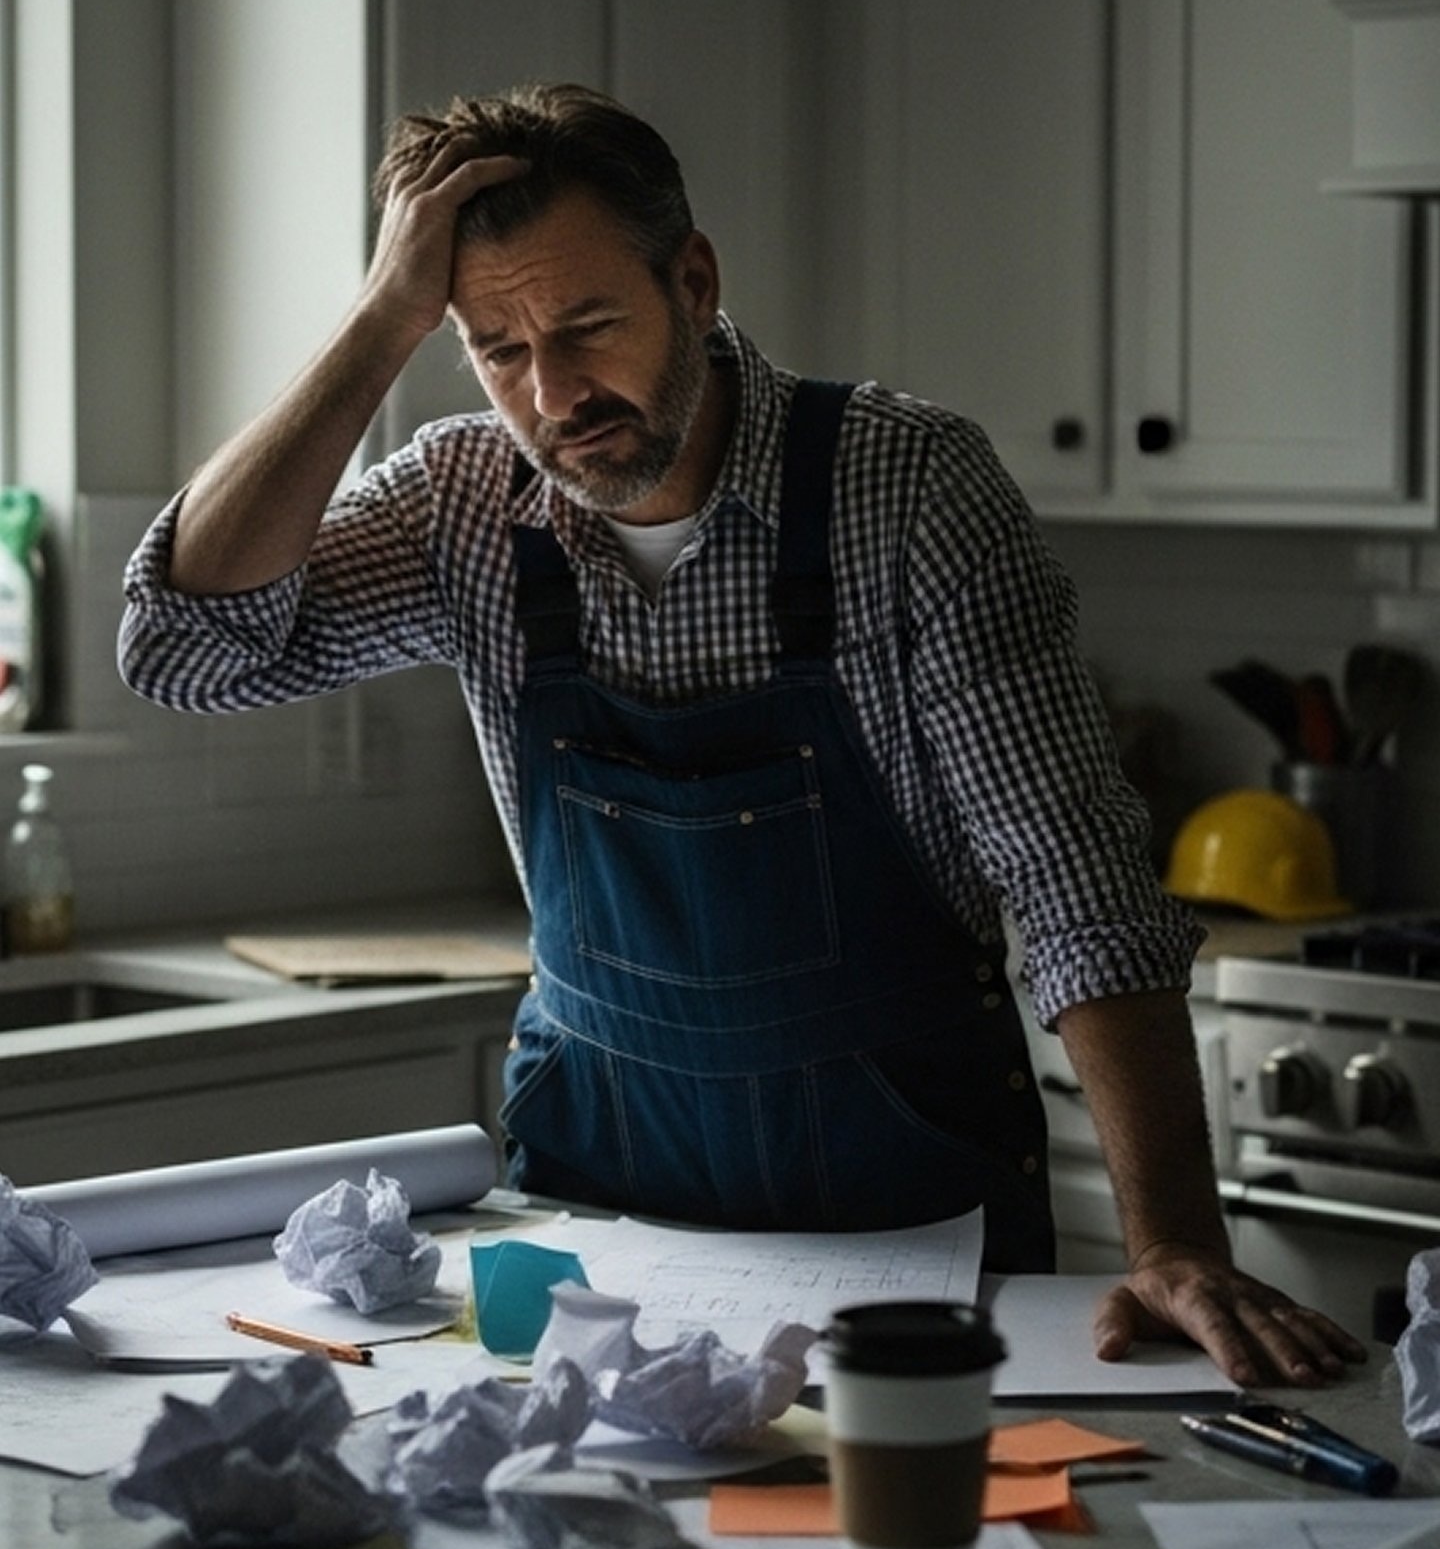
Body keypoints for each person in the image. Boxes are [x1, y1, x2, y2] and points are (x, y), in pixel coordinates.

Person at [120, 83, 1361, 1388]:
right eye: (496, 348)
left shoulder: (908, 490)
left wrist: (1171, 1238)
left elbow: (1077, 892)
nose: (552, 393)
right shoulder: (462, 501)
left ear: (695, 282)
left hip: (907, 1212)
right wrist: (382, 322)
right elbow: (185, 648)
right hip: (597, 1215)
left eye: (589, 324)